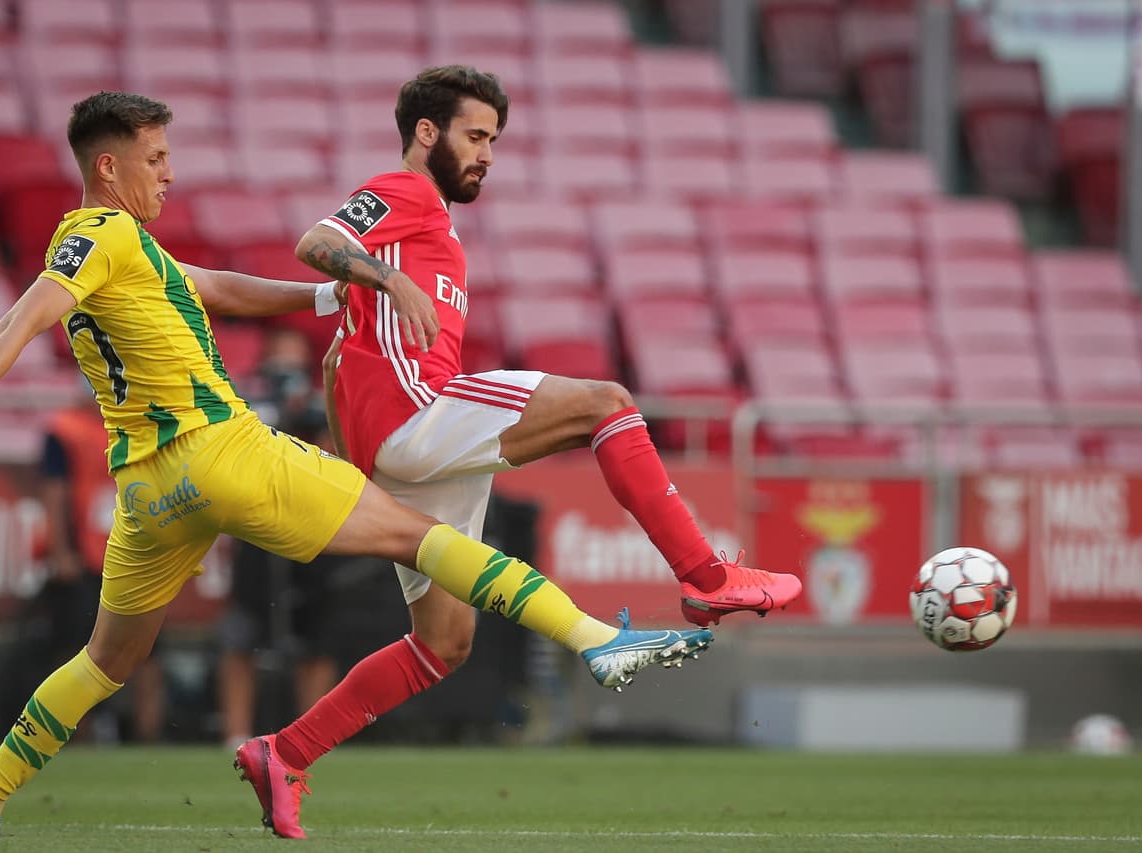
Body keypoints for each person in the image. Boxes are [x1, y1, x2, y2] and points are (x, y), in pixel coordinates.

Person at [0, 91, 714, 840]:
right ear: (109, 165)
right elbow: (28, 311)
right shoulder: (100, 232)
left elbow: (219, 287)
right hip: (223, 451)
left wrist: (331, 296)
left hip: (149, 491)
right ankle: (597, 638)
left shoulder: (130, 252)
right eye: (156, 158)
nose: (169, 173)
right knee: (419, 534)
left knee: (104, 660)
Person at [283, 65, 806, 787]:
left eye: (493, 139)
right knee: (607, 401)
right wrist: (389, 278)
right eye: (475, 135)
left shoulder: (435, 220)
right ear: (426, 133)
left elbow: (346, 341)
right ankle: (705, 576)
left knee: (444, 643)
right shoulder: (404, 191)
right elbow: (316, 241)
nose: (488, 154)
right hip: (418, 417)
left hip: (409, 451)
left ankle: (283, 754)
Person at [216, 328, 343, 749]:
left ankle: (314, 733)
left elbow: (335, 455)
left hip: (309, 525)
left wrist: (307, 410)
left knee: (317, 638)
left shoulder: (318, 402)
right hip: (255, 526)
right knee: (242, 636)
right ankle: (235, 732)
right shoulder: (246, 402)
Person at [30, 396, 166, 743]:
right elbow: (55, 490)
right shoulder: (68, 430)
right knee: (80, 649)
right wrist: (61, 551)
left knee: (148, 651)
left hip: (139, 551)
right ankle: (76, 736)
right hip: (89, 555)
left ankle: (148, 738)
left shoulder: (147, 422)